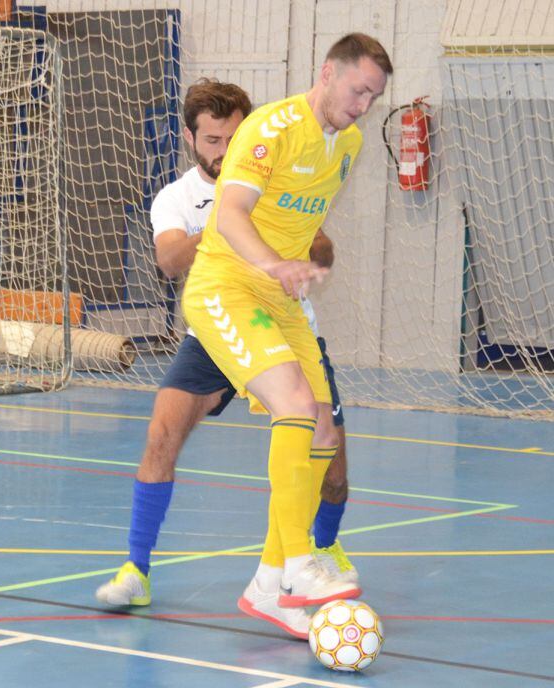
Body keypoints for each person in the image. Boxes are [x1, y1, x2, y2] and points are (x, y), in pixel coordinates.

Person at [95, 80, 357, 634]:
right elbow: (168, 260)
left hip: (284, 324)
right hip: (216, 328)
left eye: (233, 137)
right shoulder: (177, 196)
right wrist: (229, 224)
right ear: (191, 138)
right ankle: (136, 568)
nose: (224, 149)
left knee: (331, 466)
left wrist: (293, 236)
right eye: (213, 139)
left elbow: (323, 249)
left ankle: (317, 555)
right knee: (161, 434)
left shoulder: (272, 170)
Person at [181, 33, 392, 637]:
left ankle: (269, 582)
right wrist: (273, 263)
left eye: (373, 98)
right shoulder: (271, 129)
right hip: (227, 285)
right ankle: (299, 561)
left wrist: (294, 267)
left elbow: (301, 219)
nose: (362, 106)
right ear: (327, 73)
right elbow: (230, 214)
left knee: (324, 427)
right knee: (295, 408)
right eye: (357, 91)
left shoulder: (348, 144)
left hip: (283, 301)